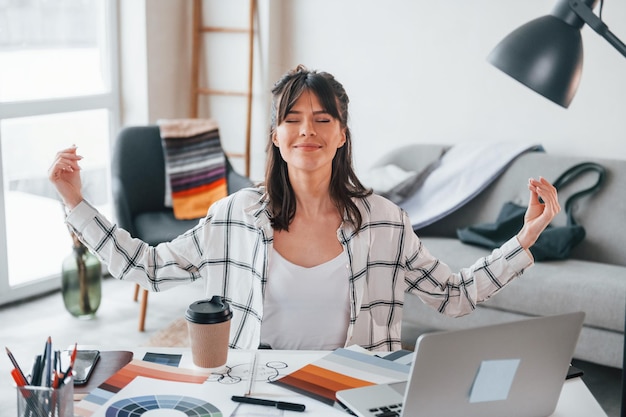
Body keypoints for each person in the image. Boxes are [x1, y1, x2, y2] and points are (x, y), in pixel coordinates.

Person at [49, 65, 560, 352]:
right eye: (292, 119)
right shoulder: (233, 217)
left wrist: (524, 241)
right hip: (256, 391)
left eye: (322, 119)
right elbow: (148, 267)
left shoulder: (385, 221)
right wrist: (75, 200)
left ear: (341, 135)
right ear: (276, 136)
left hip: (355, 393)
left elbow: (454, 297)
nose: (306, 131)